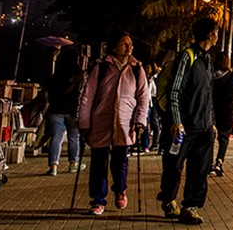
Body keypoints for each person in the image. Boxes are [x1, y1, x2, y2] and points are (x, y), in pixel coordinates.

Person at [77, 32, 149, 215]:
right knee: (98, 162)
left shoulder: (137, 69)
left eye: (130, 44)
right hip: (100, 121)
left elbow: (143, 97)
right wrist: (84, 122)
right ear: (114, 46)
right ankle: (98, 199)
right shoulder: (101, 68)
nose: (129, 47)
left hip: (125, 123)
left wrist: (140, 121)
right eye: (124, 43)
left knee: (120, 161)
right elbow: (87, 96)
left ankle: (120, 189)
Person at [157, 16, 219, 226]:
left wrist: (211, 122)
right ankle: (168, 200)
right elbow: (175, 91)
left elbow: (208, 94)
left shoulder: (208, 60)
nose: (217, 36)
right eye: (216, 32)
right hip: (184, 126)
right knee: (174, 165)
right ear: (209, 34)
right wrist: (177, 121)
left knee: (200, 170)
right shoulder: (187, 56)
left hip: (204, 127)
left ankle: (190, 207)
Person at [44, 47, 86, 176]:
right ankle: (73, 164)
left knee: (56, 137)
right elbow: (81, 94)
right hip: (72, 111)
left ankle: (53, 166)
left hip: (56, 110)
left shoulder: (56, 75)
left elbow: (48, 94)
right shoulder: (79, 75)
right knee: (74, 138)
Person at [211, 54, 233, 178]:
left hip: (212, 109)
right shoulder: (232, 76)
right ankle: (219, 161)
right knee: (224, 138)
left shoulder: (211, 75)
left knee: (210, 137)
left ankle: (209, 163)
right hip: (227, 110)